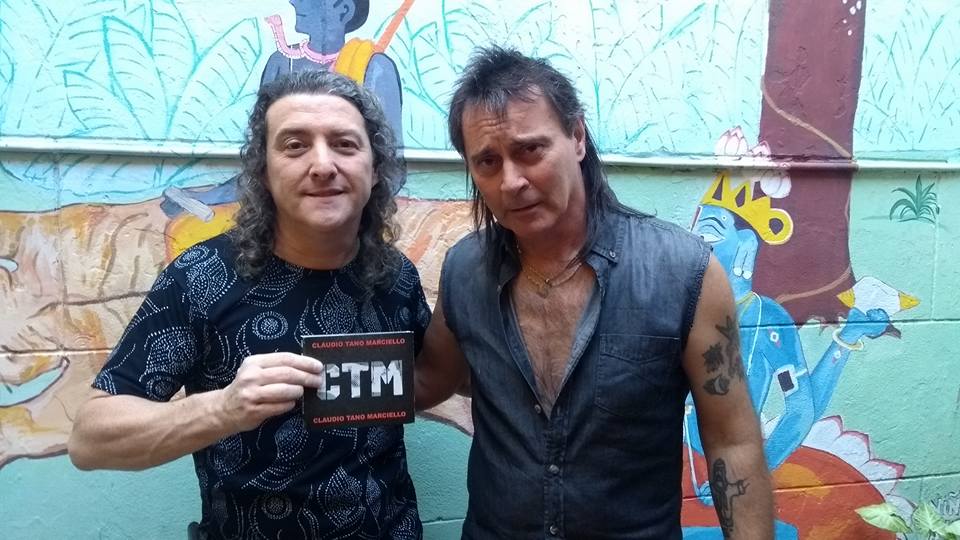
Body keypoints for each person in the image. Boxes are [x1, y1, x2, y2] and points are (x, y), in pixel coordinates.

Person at [414, 46, 775, 539]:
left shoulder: (682, 272)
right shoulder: (465, 271)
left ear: (577, 137)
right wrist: (321, 380)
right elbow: (430, 380)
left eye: (530, 150)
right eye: (488, 162)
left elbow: (733, 442)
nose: (511, 181)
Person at [68, 70, 429, 540]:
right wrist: (224, 408)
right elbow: (90, 440)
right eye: (295, 145)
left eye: (344, 144)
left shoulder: (396, 276)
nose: (323, 165)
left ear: (375, 168)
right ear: (263, 171)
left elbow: (430, 380)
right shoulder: (202, 277)